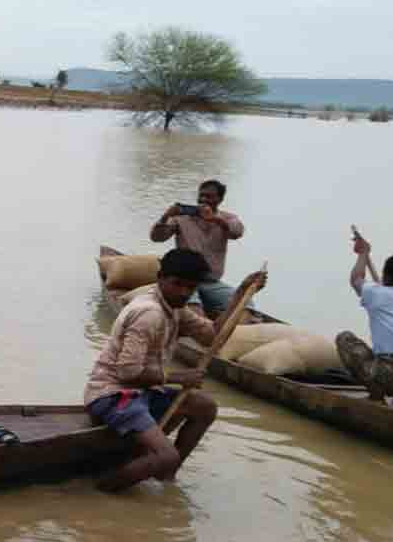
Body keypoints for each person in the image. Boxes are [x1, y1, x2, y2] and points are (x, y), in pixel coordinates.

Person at [84, 248, 267, 491]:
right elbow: (127, 372)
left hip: (143, 391)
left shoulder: (176, 307)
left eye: (190, 288)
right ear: (161, 278)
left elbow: (211, 336)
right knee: (166, 455)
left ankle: (165, 474)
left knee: (204, 407)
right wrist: (179, 377)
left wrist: (240, 294)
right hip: (113, 395)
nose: (183, 292)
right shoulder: (149, 314)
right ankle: (102, 490)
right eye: (177, 284)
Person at [337, 230, 393, 410]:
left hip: (390, 378)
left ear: (387, 276)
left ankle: (376, 397)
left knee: (344, 338)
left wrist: (363, 254)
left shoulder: (377, 293)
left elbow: (356, 278)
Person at [150, 180, 249, 317]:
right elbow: (157, 238)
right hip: (185, 280)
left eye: (209, 196)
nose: (203, 199)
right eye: (201, 195)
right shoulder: (182, 217)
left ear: (220, 199)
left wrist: (215, 219)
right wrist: (165, 216)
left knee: (246, 305)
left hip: (211, 282)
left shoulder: (228, 218)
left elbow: (237, 232)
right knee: (194, 310)